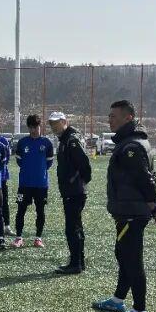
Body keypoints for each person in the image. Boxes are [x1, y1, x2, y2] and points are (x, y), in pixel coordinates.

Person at [92, 100, 156, 312]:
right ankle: (118, 299)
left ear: (128, 118)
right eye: (109, 115)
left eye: (114, 116)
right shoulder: (131, 142)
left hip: (133, 212)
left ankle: (139, 311)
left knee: (132, 259)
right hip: (127, 210)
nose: (109, 120)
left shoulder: (131, 146)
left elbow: (145, 180)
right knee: (123, 254)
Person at [50, 111, 92, 275]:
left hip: (74, 191)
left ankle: (76, 263)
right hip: (72, 190)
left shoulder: (71, 140)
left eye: (56, 122)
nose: (54, 126)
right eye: (52, 123)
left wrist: (77, 183)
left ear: (64, 121)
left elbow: (84, 165)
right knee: (75, 227)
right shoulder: (65, 139)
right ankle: (78, 262)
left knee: (72, 228)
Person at [12, 114, 55, 248]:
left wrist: (39, 171)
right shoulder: (22, 142)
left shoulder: (47, 143)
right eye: (30, 128)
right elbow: (19, 161)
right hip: (24, 184)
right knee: (20, 210)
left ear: (40, 126)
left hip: (41, 185)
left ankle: (38, 238)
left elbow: (49, 162)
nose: (33, 130)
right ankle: (19, 238)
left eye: (35, 127)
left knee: (40, 211)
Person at [0, 129, 13, 235]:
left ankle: (7, 226)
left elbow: (7, 158)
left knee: (4, 201)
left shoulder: (3, 141)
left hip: (2, 177)